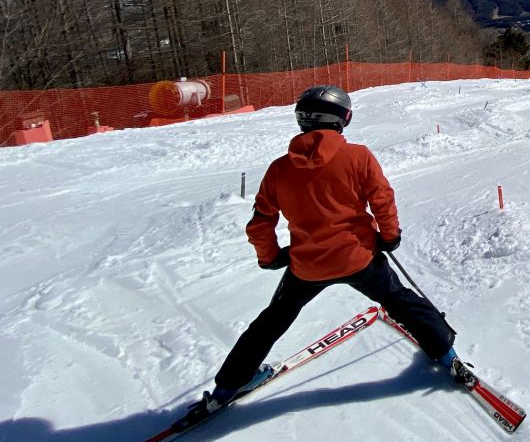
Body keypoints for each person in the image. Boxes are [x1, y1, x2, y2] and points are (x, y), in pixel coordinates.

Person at [196, 85, 468, 413]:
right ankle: (446, 354)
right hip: (359, 258)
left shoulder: (279, 169)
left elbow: (260, 222)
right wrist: (390, 236)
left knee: (273, 320)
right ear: (341, 119)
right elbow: (382, 198)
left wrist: (270, 257)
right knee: (400, 299)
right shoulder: (357, 156)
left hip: (306, 266)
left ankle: (227, 387)